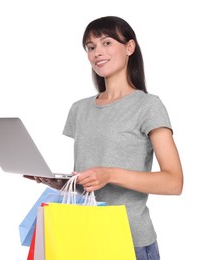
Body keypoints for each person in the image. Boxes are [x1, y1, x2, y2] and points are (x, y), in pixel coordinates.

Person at [25, 16, 183, 260]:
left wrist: (109, 175)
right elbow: (91, 174)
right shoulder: (80, 109)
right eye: (91, 47)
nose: (97, 52)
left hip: (130, 242)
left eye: (107, 43)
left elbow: (174, 182)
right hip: (83, 236)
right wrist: (67, 183)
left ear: (130, 47)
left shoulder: (148, 106)